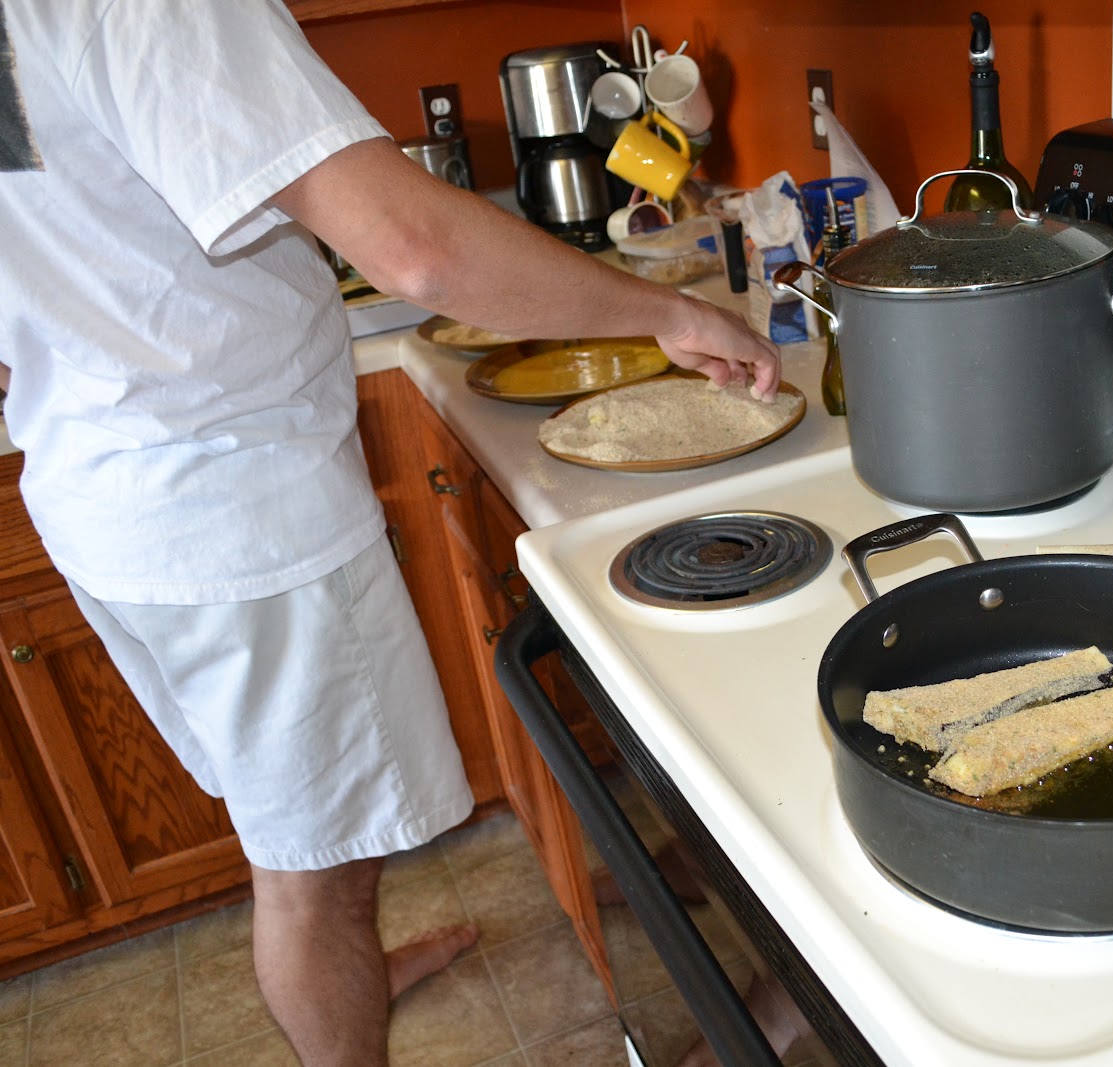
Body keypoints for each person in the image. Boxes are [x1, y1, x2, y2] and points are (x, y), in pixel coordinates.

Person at [0, 2, 780, 1064]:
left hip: (100, 488)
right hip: (237, 518)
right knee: (310, 880)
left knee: (292, 830)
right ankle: (337, 996)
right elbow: (418, 253)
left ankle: (349, 961)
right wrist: (671, 314)